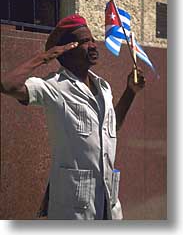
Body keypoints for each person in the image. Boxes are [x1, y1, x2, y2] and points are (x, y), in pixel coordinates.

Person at [0, 14, 145, 220]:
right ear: (67, 49)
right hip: (74, 212)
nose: (93, 45)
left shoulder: (104, 87)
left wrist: (130, 92)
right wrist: (44, 57)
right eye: (85, 41)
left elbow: (112, 129)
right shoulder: (54, 86)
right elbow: (7, 85)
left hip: (110, 207)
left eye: (92, 39)